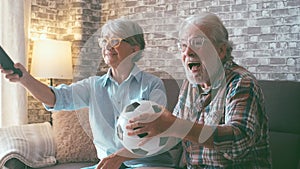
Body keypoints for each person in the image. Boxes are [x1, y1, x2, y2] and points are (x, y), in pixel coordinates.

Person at [0, 18, 182, 169]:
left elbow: (155, 133)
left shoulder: (151, 85)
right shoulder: (93, 86)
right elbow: (56, 98)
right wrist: (24, 79)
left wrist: (119, 157)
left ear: (135, 49)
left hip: (147, 164)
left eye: (115, 41)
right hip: (107, 165)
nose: (107, 47)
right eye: (104, 41)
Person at [127, 12, 272, 168]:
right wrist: (126, 152)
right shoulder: (192, 84)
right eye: (183, 45)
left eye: (197, 42)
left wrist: (174, 125)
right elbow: (174, 138)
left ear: (221, 50)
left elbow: (238, 142)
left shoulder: (241, 83)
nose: (187, 52)